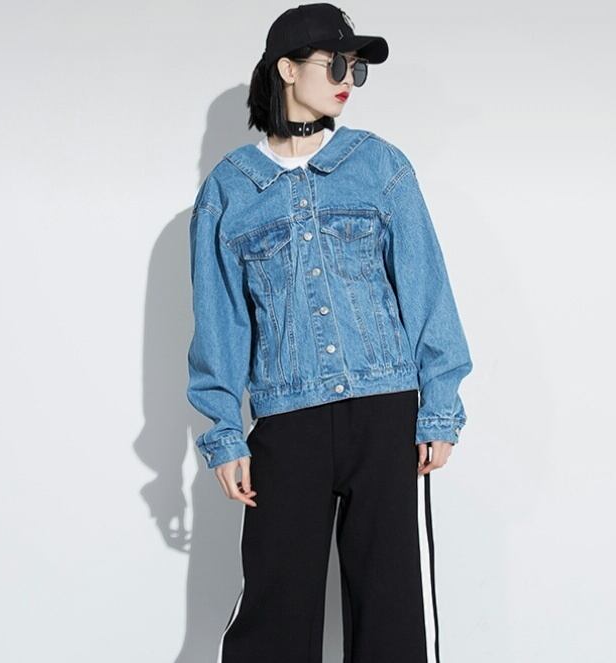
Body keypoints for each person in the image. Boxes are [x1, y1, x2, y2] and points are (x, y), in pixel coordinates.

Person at [186, 3, 473, 661]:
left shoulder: (380, 166)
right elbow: (221, 319)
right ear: (287, 69)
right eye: (337, 64)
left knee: (391, 612)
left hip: (385, 413)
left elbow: (426, 289)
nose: (349, 79)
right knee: (274, 614)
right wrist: (225, 432)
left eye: (357, 69)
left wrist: (439, 406)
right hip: (288, 421)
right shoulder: (231, 188)